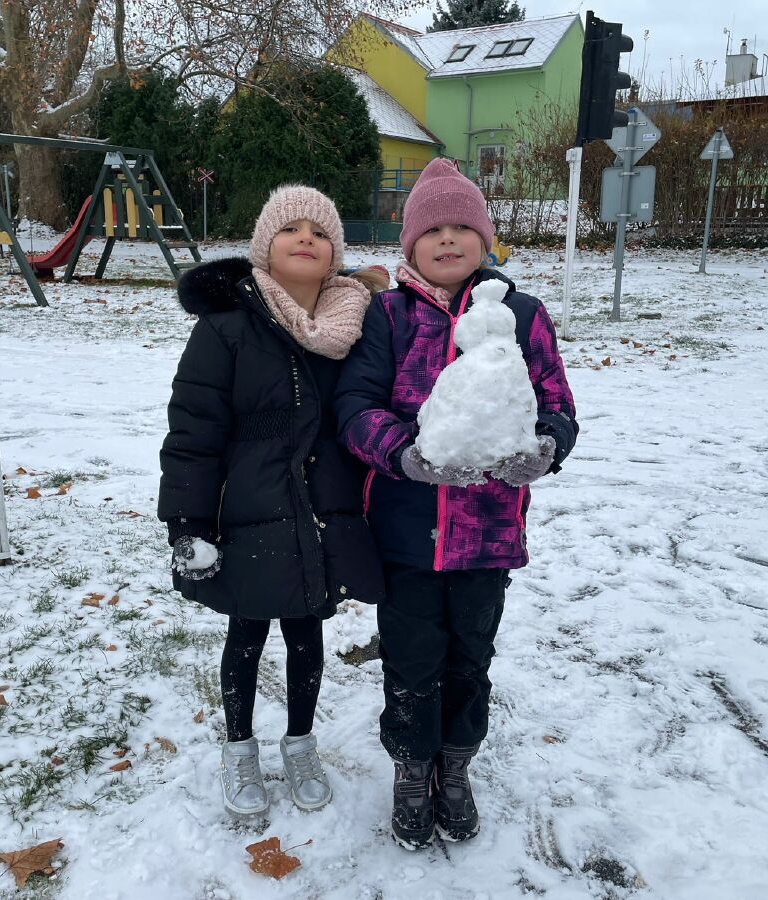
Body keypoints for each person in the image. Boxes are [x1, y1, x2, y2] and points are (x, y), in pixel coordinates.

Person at [334, 158, 578, 848]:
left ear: (484, 239)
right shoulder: (388, 316)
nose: (447, 240)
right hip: (405, 531)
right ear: (410, 245)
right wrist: (402, 454)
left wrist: (546, 445)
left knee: (470, 658)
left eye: (461, 228)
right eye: (431, 230)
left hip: (488, 532)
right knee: (412, 660)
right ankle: (412, 769)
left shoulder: (520, 315)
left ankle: (456, 765)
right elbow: (355, 405)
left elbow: (556, 402)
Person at [158, 186, 386, 817]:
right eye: (291, 229)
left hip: (322, 505)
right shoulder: (227, 326)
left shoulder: (354, 324)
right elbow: (194, 428)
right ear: (265, 247)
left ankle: (300, 743)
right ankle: (239, 749)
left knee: (307, 629)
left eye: (321, 231)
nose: (306, 237)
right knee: (247, 630)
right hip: (247, 508)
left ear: (335, 254)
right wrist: (188, 521)